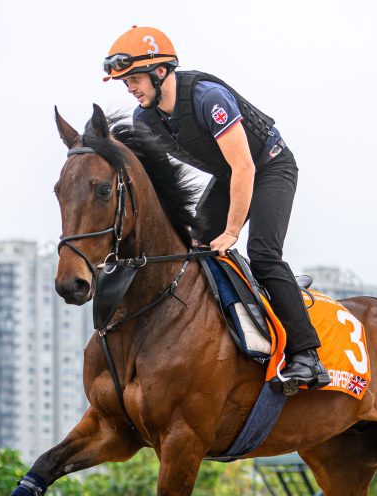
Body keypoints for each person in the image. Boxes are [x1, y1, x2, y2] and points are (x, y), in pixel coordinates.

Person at [102, 25, 330, 392]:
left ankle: (307, 355)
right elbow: (156, 184)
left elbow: (245, 168)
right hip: (229, 174)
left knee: (263, 254)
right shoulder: (144, 119)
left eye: (134, 79)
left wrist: (231, 231)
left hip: (269, 166)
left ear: (160, 71)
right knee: (193, 246)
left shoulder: (209, 98)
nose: (130, 88)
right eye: (124, 82)